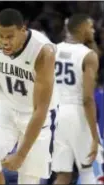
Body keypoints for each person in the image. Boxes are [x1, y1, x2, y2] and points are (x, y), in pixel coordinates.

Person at [0, 8, 59, 184]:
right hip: (6, 107)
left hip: (36, 115)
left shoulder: (43, 52)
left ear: (23, 30)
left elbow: (40, 109)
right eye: (1, 36)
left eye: (10, 36)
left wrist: (20, 154)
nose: (4, 42)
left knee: (29, 180)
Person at [52, 14, 100, 184]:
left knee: (63, 175)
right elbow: (87, 99)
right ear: (81, 28)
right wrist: (95, 137)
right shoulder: (88, 55)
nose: (93, 30)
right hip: (77, 113)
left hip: (56, 113)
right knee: (89, 172)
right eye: (90, 26)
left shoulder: (53, 49)